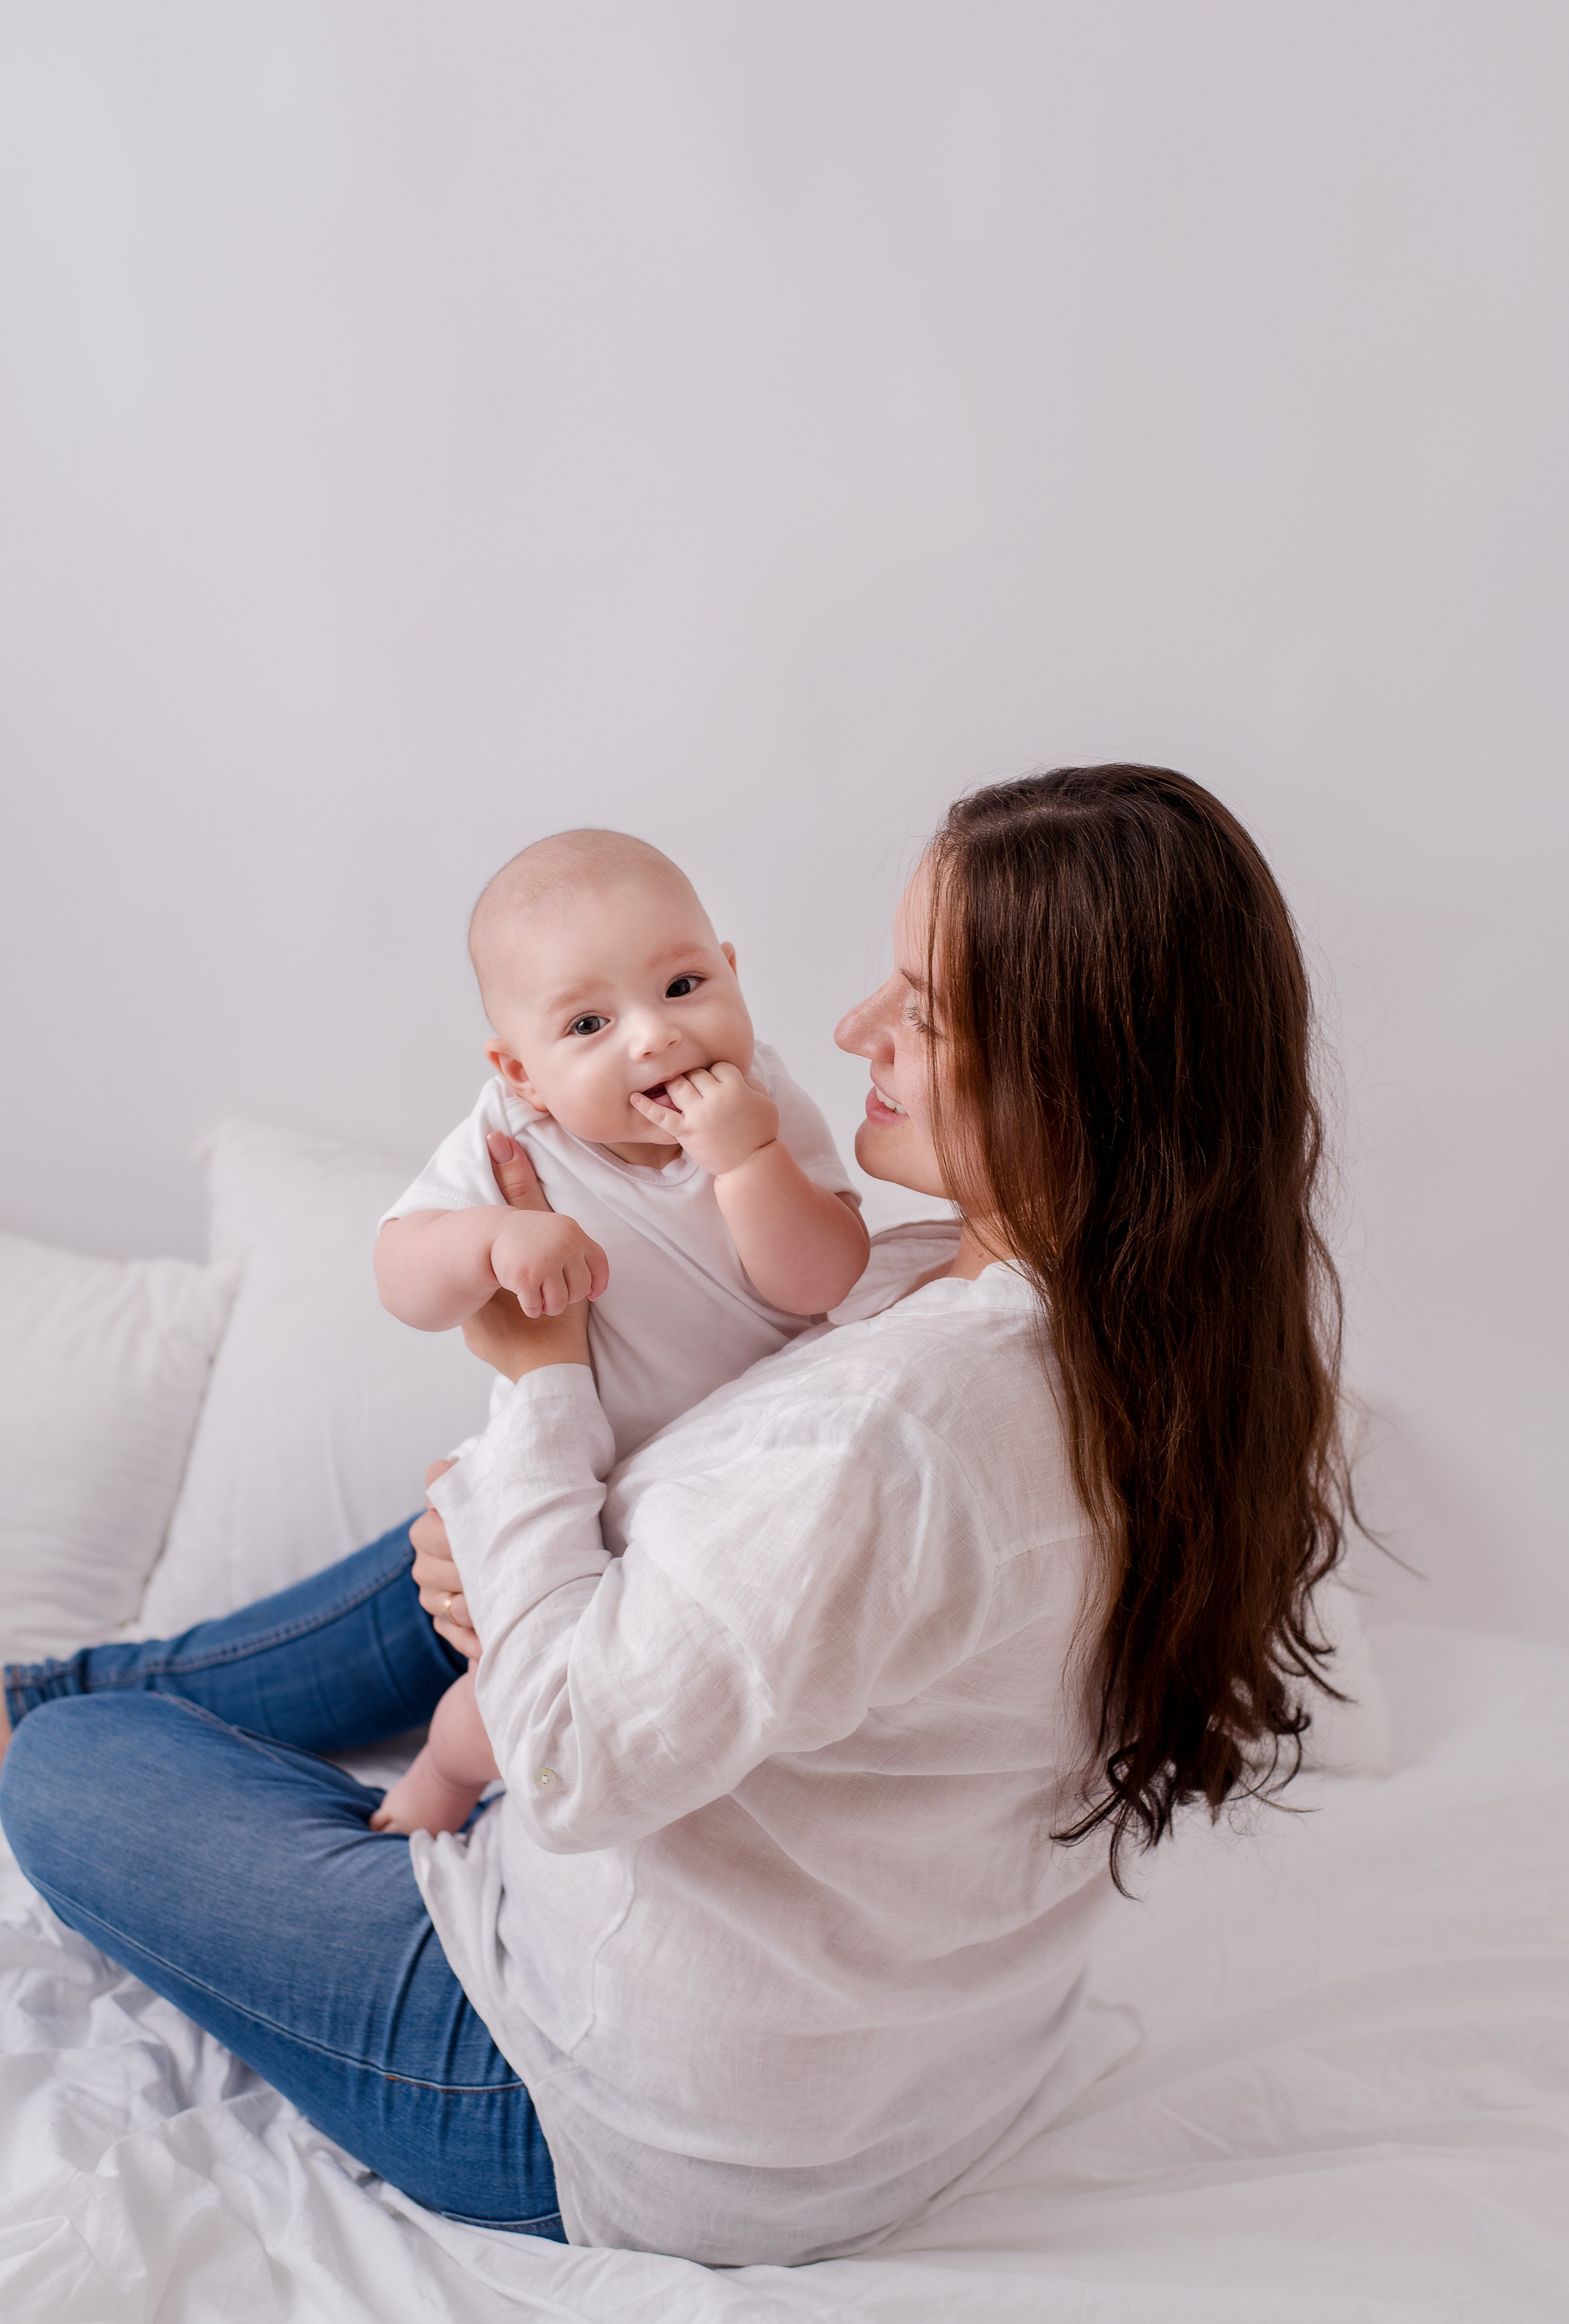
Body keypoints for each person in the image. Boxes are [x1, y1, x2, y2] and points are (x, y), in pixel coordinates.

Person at [0, 766, 1351, 2267]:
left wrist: (537, 1380)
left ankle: (63, 1712)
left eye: (922, 1009)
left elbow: (569, 1761)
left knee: (74, 1766)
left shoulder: (895, 1429)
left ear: (1077, 1076)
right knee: (470, 1531)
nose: (853, 1029)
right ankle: (66, 1685)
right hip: (932, 2077)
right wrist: (512, 1509)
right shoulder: (1144, 1342)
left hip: (615, 2113)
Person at [370, 827, 869, 1832]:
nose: (654, 1036)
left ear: (732, 973)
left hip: (715, 1497)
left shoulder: (763, 1105)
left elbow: (826, 1279)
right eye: (590, 1023)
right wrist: (490, 1239)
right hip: (566, 1484)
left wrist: (749, 1162)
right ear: (521, 1070)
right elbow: (401, 1277)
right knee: (487, 1703)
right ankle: (437, 1786)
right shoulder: (514, 1136)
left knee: (576, 1687)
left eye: (683, 986)